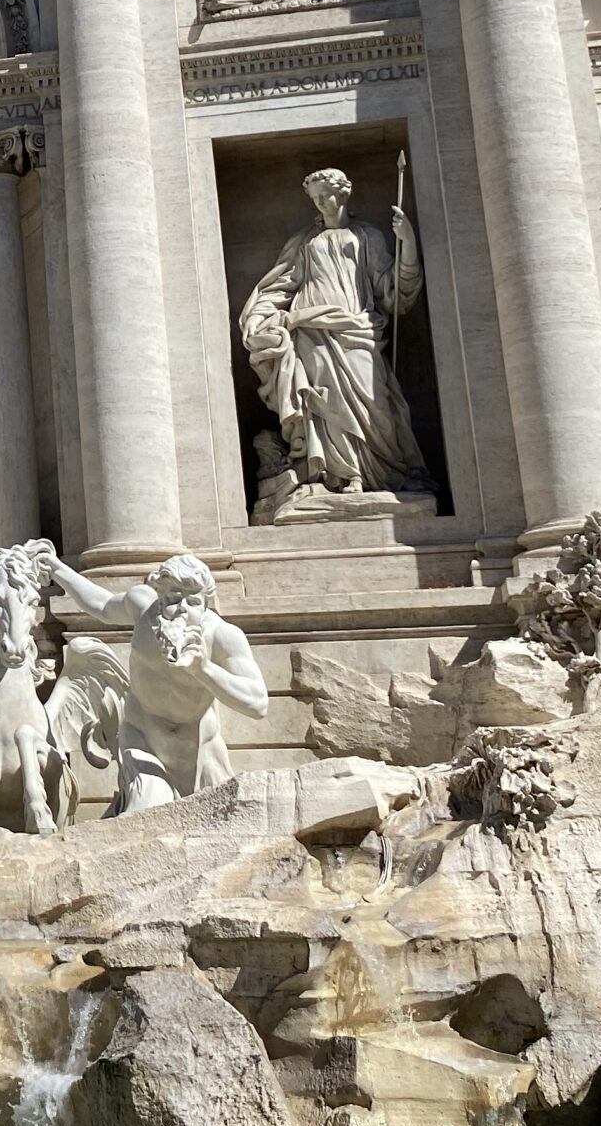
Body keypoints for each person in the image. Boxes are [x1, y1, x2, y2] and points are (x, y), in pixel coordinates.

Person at [240, 168, 430, 498]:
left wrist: (409, 243)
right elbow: (281, 284)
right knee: (322, 402)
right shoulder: (304, 243)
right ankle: (342, 475)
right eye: (314, 199)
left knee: (375, 402)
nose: (320, 203)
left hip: (357, 328)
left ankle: (379, 475)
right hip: (310, 329)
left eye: (325, 195)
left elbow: (394, 291)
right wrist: (261, 316)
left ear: (343, 194)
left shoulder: (368, 237)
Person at [47, 550, 268, 810]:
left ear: (207, 604)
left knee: (221, 827)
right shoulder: (143, 608)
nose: (182, 609)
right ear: (160, 596)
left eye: (193, 602)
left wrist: (203, 669)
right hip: (143, 739)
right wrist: (56, 568)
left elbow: (258, 704)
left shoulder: (223, 636)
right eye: (174, 597)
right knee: (147, 812)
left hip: (199, 749)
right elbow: (102, 604)